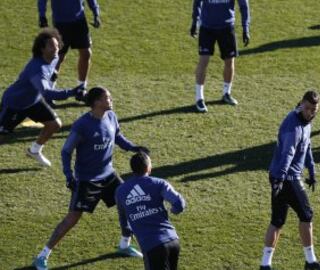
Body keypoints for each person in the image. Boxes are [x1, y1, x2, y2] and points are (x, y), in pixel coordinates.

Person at [33, 87, 148, 270]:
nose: (111, 100)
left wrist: (134, 148)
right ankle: (42, 256)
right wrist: (69, 175)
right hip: (87, 180)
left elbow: (117, 136)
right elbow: (66, 151)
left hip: (109, 175)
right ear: (96, 102)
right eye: (107, 98)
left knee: (128, 201)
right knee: (73, 217)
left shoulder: (111, 116)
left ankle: (124, 244)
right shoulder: (82, 125)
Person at [259, 91, 320, 270]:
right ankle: (310, 262)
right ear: (301, 104)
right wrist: (281, 178)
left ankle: (265, 265)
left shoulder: (305, 122)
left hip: (279, 176)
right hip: (288, 177)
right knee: (306, 215)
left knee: (277, 221)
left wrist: (312, 171)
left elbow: (307, 147)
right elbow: (288, 153)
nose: (310, 112)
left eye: (313, 109)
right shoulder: (294, 126)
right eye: (307, 108)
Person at [0, 28, 86, 167]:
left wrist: (54, 75)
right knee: (2, 137)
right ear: (42, 49)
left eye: (57, 45)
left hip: (33, 101)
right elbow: (48, 93)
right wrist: (71, 92)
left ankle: (34, 151)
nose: (56, 49)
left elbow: (53, 70)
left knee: (54, 124)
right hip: (14, 104)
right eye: (51, 46)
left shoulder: (54, 57)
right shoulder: (37, 69)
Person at [115, 152, 186, 270]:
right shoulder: (159, 183)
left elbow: (123, 219)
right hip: (173, 240)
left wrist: (126, 235)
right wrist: (174, 210)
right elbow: (179, 203)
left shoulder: (120, 191)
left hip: (152, 246)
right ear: (148, 168)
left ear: (132, 169)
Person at [190, 0, 250, 112]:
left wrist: (245, 28)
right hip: (207, 28)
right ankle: (199, 98)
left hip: (227, 28)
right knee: (204, 60)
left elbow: (243, 5)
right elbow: (197, 2)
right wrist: (195, 21)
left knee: (229, 61)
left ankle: (226, 93)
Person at [37, 0, 101, 92]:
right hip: (61, 23)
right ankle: (49, 90)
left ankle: (81, 88)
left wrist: (96, 13)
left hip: (79, 21)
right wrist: (42, 15)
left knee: (86, 53)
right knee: (58, 57)